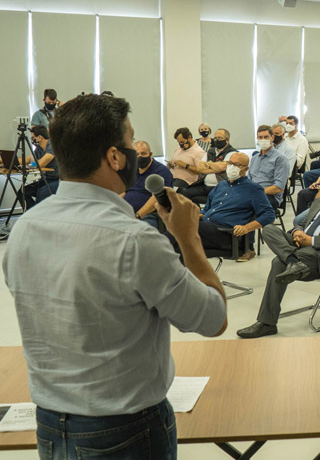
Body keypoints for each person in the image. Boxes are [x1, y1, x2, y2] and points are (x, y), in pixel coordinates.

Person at [4, 94, 227, 458]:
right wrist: (188, 239)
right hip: (125, 428)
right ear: (114, 157)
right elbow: (213, 318)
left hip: (50, 422)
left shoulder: (24, 229)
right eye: (130, 142)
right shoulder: (135, 241)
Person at [237, 166, 320, 339]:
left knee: (278, 262)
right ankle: (293, 261)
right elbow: (303, 223)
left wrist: (311, 241)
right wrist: (297, 232)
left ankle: (267, 323)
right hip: (301, 247)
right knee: (268, 229)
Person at [166, 152, 275, 257]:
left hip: (226, 234)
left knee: (185, 227)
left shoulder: (253, 189)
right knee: (177, 235)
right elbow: (207, 209)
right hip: (208, 228)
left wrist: (247, 228)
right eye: (230, 163)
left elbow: (269, 214)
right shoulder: (221, 185)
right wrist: (197, 215)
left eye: (236, 165)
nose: (231, 167)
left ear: (245, 169)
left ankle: (160, 254)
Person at [125, 140, 173, 227]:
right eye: (136, 154)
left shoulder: (161, 171)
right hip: (127, 212)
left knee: (141, 231)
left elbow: (156, 198)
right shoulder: (133, 170)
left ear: (150, 154)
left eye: (143, 153)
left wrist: (137, 216)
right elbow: (124, 191)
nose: (139, 156)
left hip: (148, 214)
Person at [181, 128, 236, 204]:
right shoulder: (210, 151)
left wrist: (208, 164)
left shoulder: (232, 152)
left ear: (227, 140)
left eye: (219, 138)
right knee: (185, 193)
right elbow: (200, 168)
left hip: (220, 187)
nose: (216, 140)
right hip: (205, 185)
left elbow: (222, 167)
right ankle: (194, 211)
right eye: (215, 138)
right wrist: (215, 167)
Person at [249, 125, 291, 212]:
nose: (263, 140)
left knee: (246, 205)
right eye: (260, 137)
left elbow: (278, 187)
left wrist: (257, 192)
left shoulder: (280, 159)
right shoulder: (254, 158)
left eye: (266, 137)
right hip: (253, 193)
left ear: (272, 138)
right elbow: (248, 180)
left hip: (270, 197)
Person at [19, 125, 60, 207]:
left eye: (33, 137)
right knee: (22, 193)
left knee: (41, 193)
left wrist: (31, 164)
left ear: (40, 137)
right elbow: (28, 159)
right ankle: (31, 212)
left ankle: (37, 213)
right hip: (45, 179)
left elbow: (41, 163)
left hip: (57, 181)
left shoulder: (52, 146)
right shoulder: (39, 148)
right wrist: (13, 161)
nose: (32, 140)